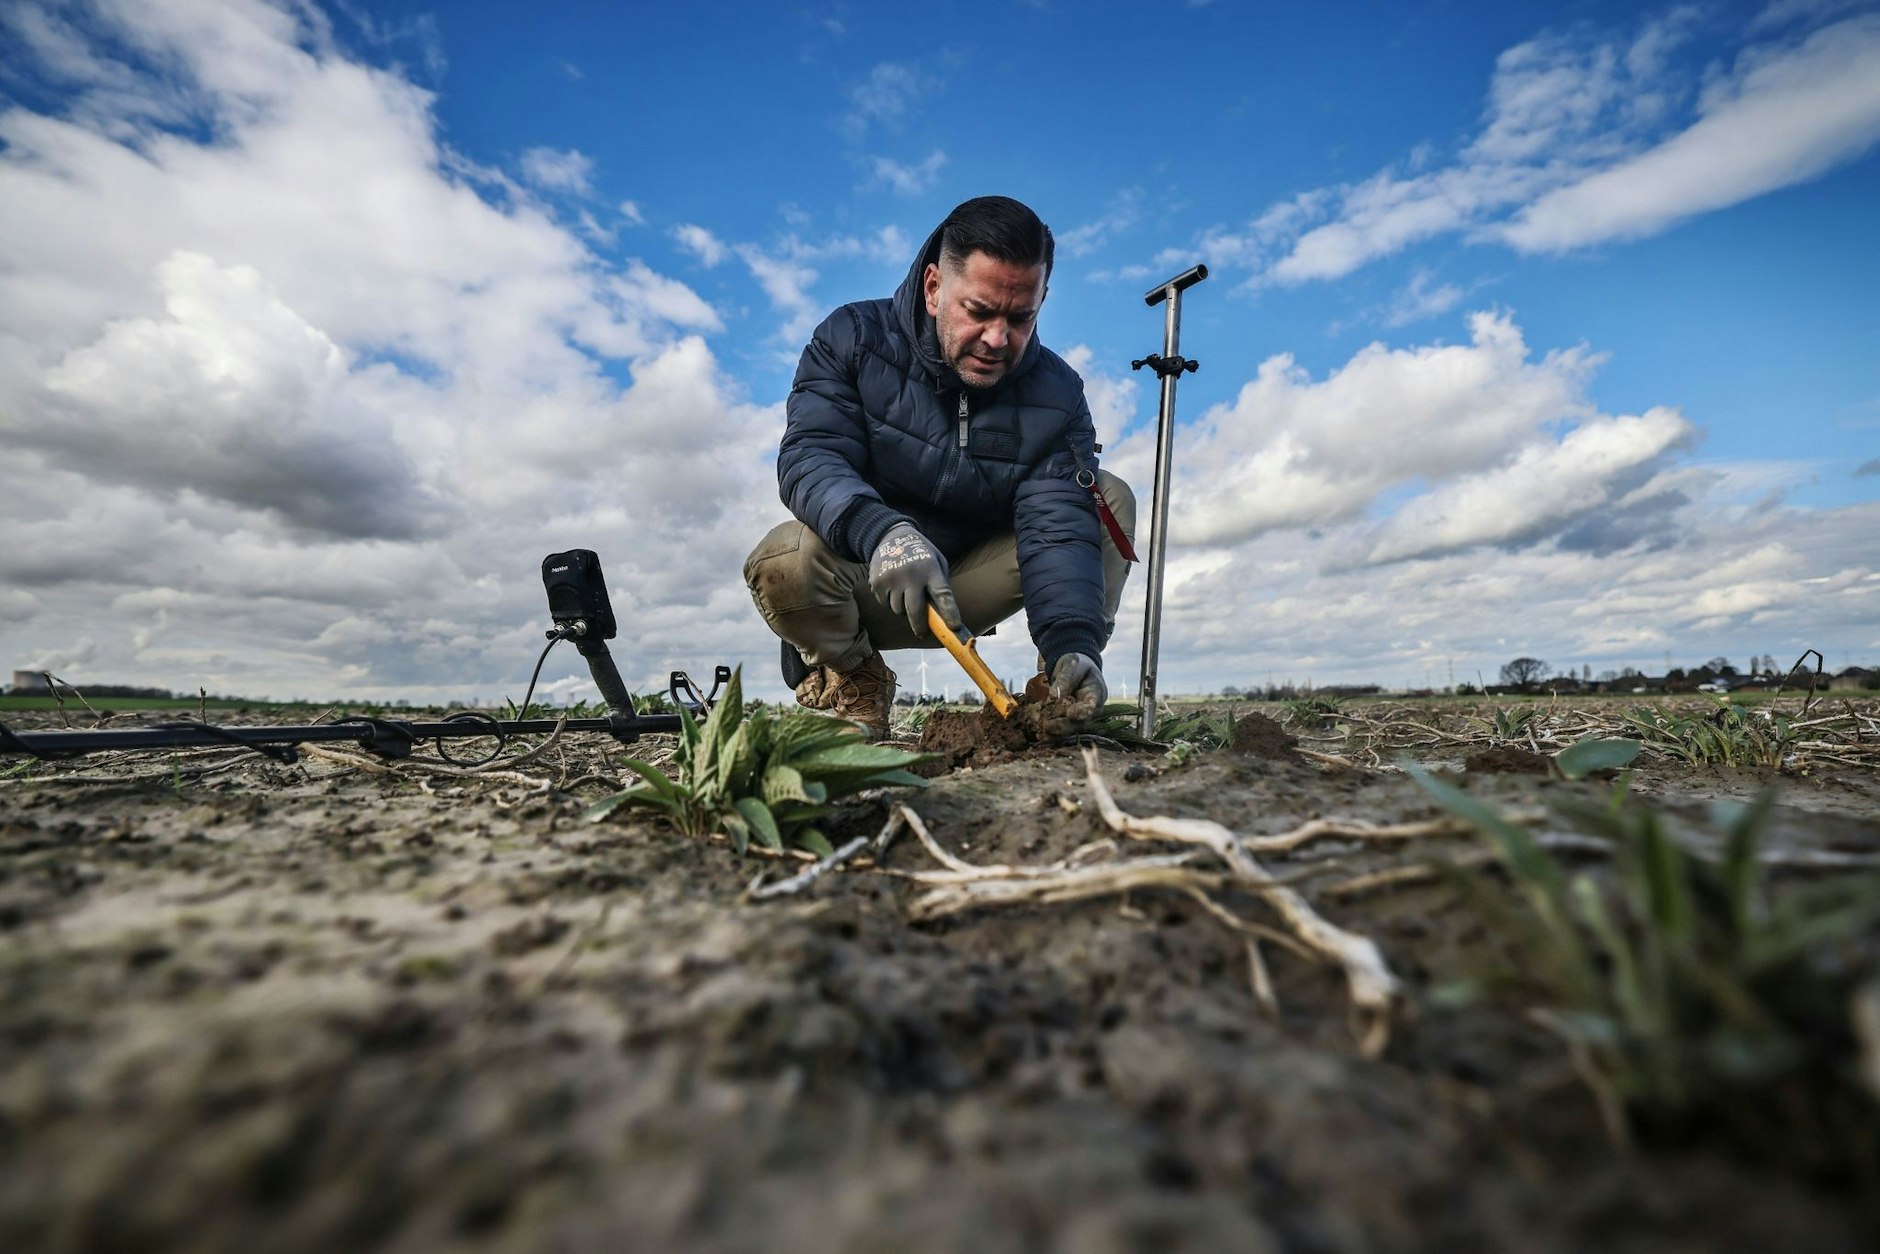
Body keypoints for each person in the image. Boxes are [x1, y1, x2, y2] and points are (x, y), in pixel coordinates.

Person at [743, 195, 1135, 740]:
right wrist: (884, 535)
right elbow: (812, 455)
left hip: (965, 588)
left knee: (1105, 499)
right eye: (979, 311)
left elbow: (1057, 526)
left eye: (1020, 318)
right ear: (933, 288)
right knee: (783, 558)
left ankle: (1060, 689)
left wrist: (1074, 640)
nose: (998, 339)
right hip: (868, 586)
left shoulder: (1058, 393)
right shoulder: (852, 338)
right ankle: (856, 677)